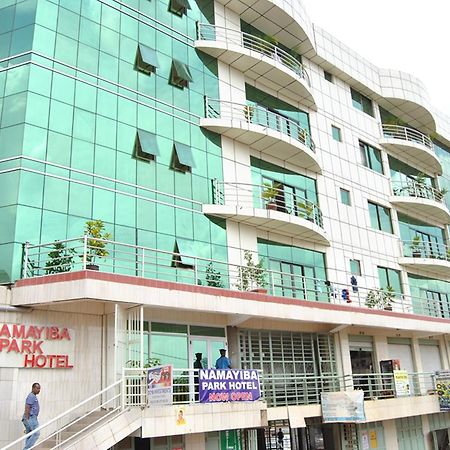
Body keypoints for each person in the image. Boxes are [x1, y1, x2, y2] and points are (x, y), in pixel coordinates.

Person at [22, 382, 41, 450]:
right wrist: (27, 419)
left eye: (39, 389)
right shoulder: (31, 396)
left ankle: (27, 448)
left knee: (29, 435)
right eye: (37, 388)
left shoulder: (33, 396)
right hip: (31, 418)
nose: (39, 390)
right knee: (36, 433)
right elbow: (27, 407)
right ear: (33, 388)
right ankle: (26, 449)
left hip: (31, 418)